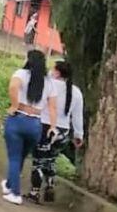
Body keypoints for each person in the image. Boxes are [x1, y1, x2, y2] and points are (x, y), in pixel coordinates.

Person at [2, 50, 58, 205]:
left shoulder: (22, 74)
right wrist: (52, 126)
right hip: (35, 124)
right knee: (21, 156)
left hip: (18, 117)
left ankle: (15, 193)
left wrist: (14, 105)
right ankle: (9, 184)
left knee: (14, 157)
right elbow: (53, 107)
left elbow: (13, 87)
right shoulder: (48, 81)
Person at [29, 60, 84, 204]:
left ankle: (34, 192)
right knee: (51, 159)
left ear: (57, 72)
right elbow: (78, 116)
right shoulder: (76, 92)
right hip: (63, 131)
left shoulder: (48, 85)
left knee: (38, 161)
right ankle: (50, 184)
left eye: (53, 70)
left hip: (44, 126)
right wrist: (79, 135)